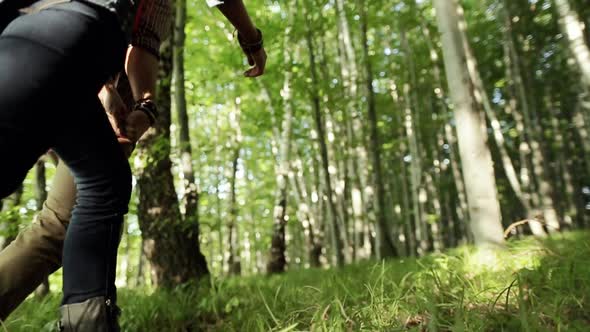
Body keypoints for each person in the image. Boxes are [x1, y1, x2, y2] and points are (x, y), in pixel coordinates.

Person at [0, 0, 266, 329]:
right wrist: (250, 38)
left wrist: (141, 104)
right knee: (79, 204)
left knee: (83, 201)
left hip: (72, 81)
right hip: (62, 70)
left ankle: (87, 323)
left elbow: (141, 42)